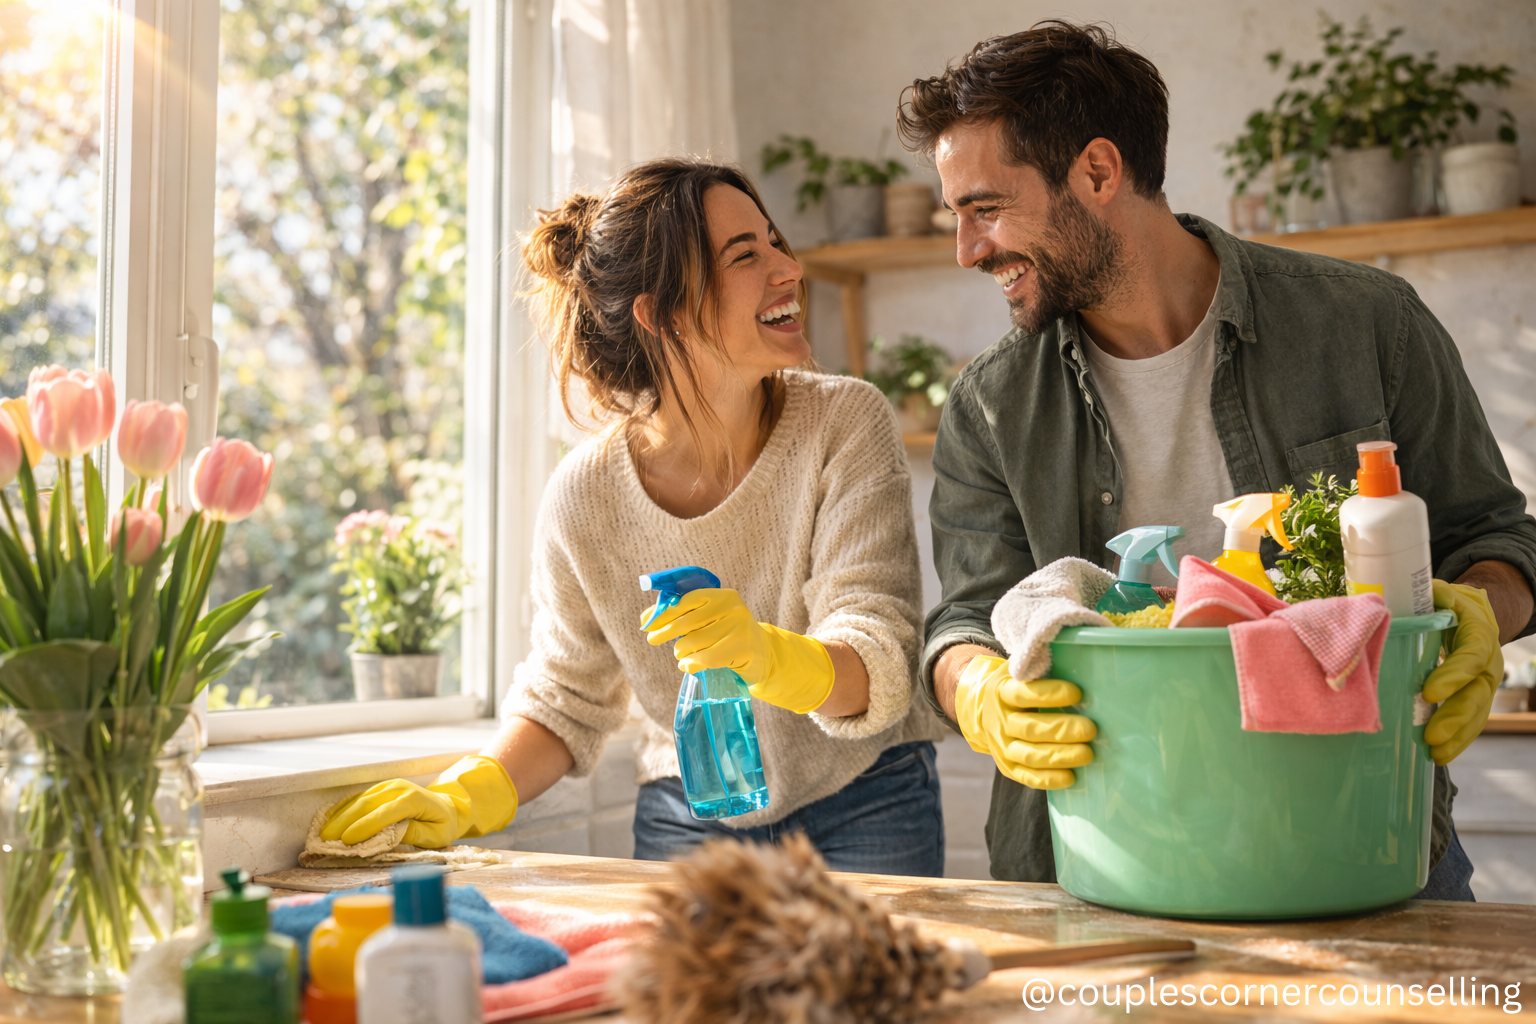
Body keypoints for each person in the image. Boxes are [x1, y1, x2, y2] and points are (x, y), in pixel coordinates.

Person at [896, 22, 1535, 897]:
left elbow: (1495, 536)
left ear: (1096, 172)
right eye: (955, 216)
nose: (968, 250)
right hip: (1101, 861)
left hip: (1358, 838)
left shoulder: (1369, 326)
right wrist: (978, 692)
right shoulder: (989, 407)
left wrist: (1477, 609)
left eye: (985, 208)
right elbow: (966, 620)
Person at [321, 159, 946, 875]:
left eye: (775, 242)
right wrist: (467, 797)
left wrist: (766, 658)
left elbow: (878, 654)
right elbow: (568, 696)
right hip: (693, 807)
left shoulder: (843, 422)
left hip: (866, 792)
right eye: (748, 255)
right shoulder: (585, 497)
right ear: (661, 313)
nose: (789, 269)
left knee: (880, 992)